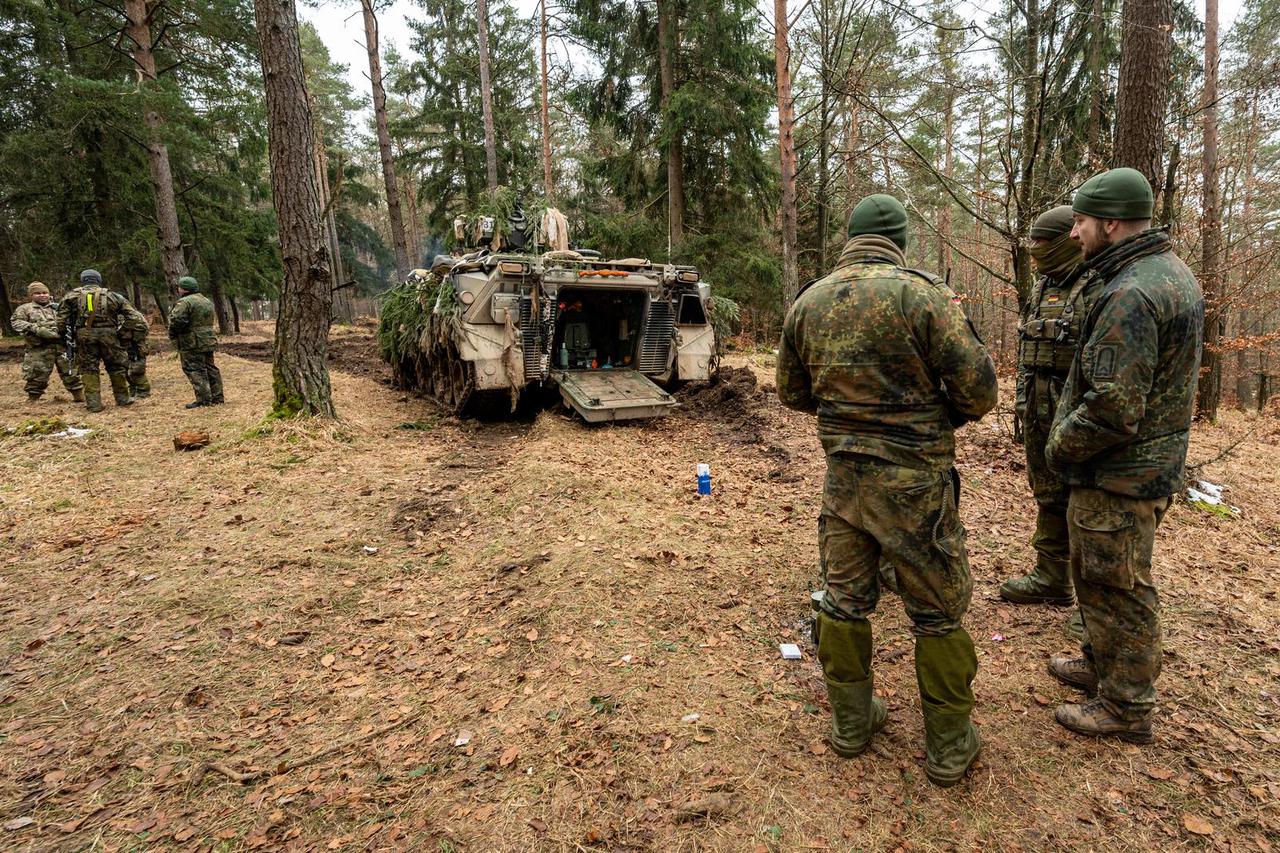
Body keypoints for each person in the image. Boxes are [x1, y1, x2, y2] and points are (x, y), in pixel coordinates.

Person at [777, 194, 998, 786]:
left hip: (844, 482)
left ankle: (852, 725)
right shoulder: (921, 295)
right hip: (916, 486)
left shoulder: (809, 302)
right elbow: (979, 392)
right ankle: (950, 745)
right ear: (899, 240)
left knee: (843, 601)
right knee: (937, 613)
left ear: (850, 238)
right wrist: (935, 417)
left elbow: (792, 394)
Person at [1045, 167, 1204, 743]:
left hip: (1120, 471)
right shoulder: (1166, 273)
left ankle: (1127, 706)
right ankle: (1101, 662)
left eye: (1082, 221)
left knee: (1118, 583)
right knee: (1098, 572)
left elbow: (1113, 405)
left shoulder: (1131, 292)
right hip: (1140, 465)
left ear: (1110, 222)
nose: (1074, 233)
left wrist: (1059, 446)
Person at [1000, 206, 1094, 640]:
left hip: (1076, 411)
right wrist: (1021, 403)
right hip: (1039, 407)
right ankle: (1051, 578)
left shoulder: (1095, 284)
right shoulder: (1043, 287)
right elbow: (1026, 351)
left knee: (1084, 502)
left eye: (1041, 242)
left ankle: (1091, 603)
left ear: (1063, 241)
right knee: (1048, 492)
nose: (1034, 251)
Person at [56, 269, 134, 412]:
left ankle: (93, 404)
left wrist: (65, 338)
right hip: (109, 335)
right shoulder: (113, 296)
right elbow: (133, 317)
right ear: (98, 280)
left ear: (83, 280)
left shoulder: (71, 297)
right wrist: (121, 333)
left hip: (84, 335)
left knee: (88, 368)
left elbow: (60, 321)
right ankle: (123, 399)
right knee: (116, 366)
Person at [10, 282, 84, 403]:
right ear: (31, 295)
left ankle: (79, 396)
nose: (42, 295)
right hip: (39, 348)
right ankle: (33, 399)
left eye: (45, 293)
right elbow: (16, 323)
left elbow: (72, 320)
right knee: (37, 374)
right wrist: (37, 329)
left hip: (62, 347)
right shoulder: (24, 309)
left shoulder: (59, 307)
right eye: (37, 293)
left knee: (71, 372)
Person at [169, 275, 223, 408]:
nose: (179, 290)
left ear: (184, 289)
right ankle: (217, 397)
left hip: (191, 341)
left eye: (180, 287)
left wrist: (173, 334)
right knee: (210, 368)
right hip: (208, 340)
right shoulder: (206, 300)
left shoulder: (184, 302)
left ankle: (204, 400)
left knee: (194, 369)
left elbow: (176, 321)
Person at [117, 297, 152, 399]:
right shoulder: (122, 315)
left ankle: (143, 392)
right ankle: (134, 390)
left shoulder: (133, 315)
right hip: (128, 347)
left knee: (136, 370)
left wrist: (125, 333)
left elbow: (143, 329)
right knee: (126, 370)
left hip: (136, 347)